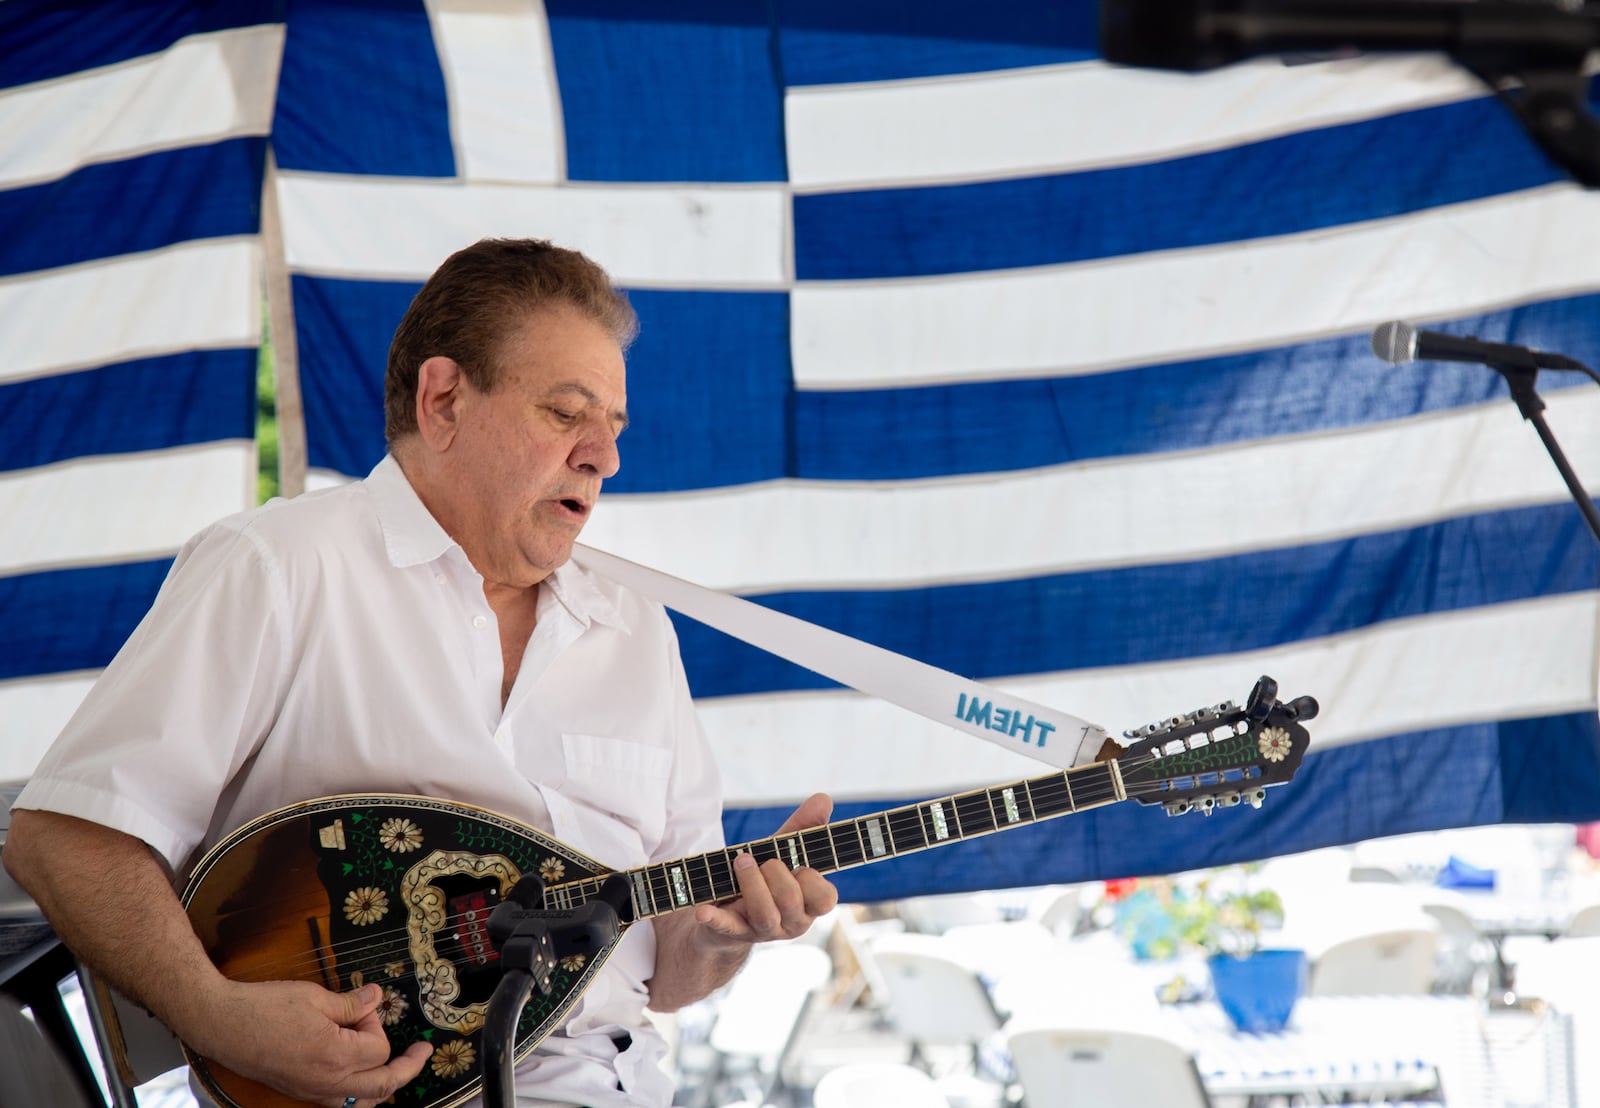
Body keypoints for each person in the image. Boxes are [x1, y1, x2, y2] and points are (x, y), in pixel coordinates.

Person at [2, 238, 838, 1108]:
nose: (604, 457)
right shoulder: (281, 567)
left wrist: (725, 936)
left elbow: (666, 973)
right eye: (565, 413)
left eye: (614, 428)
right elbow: (63, 839)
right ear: (443, 400)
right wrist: (220, 1017)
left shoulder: (635, 632)